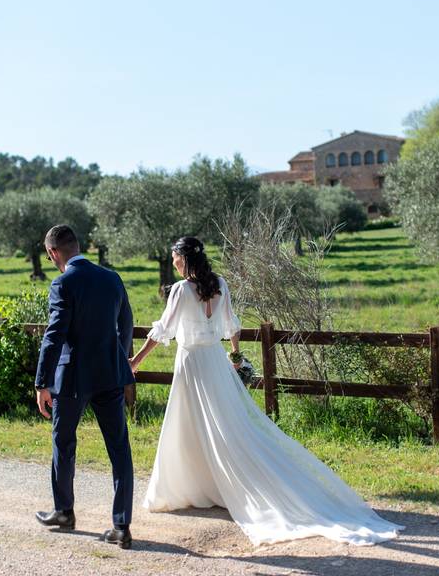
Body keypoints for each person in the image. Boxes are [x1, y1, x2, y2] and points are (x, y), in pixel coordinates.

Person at [130, 236, 403, 546]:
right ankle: (208, 483)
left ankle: (196, 486)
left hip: (192, 363)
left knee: (191, 423)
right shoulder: (219, 282)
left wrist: (135, 362)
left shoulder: (181, 290)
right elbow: (232, 324)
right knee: (227, 424)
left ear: (185, 259)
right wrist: (235, 356)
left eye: (176, 259)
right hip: (216, 362)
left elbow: (162, 329)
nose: (175, 264)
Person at [34, 224, 136, 549]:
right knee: (119, 448)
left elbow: (54, 336)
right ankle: (122, 527)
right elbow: (127, 325)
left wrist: (41, 382)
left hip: (73, 380)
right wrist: (117, 358)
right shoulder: (112, 278)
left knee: (63, 443)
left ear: (52, 253)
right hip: (110, 376)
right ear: (78, 246)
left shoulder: (62, 283)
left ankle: (64, 512)